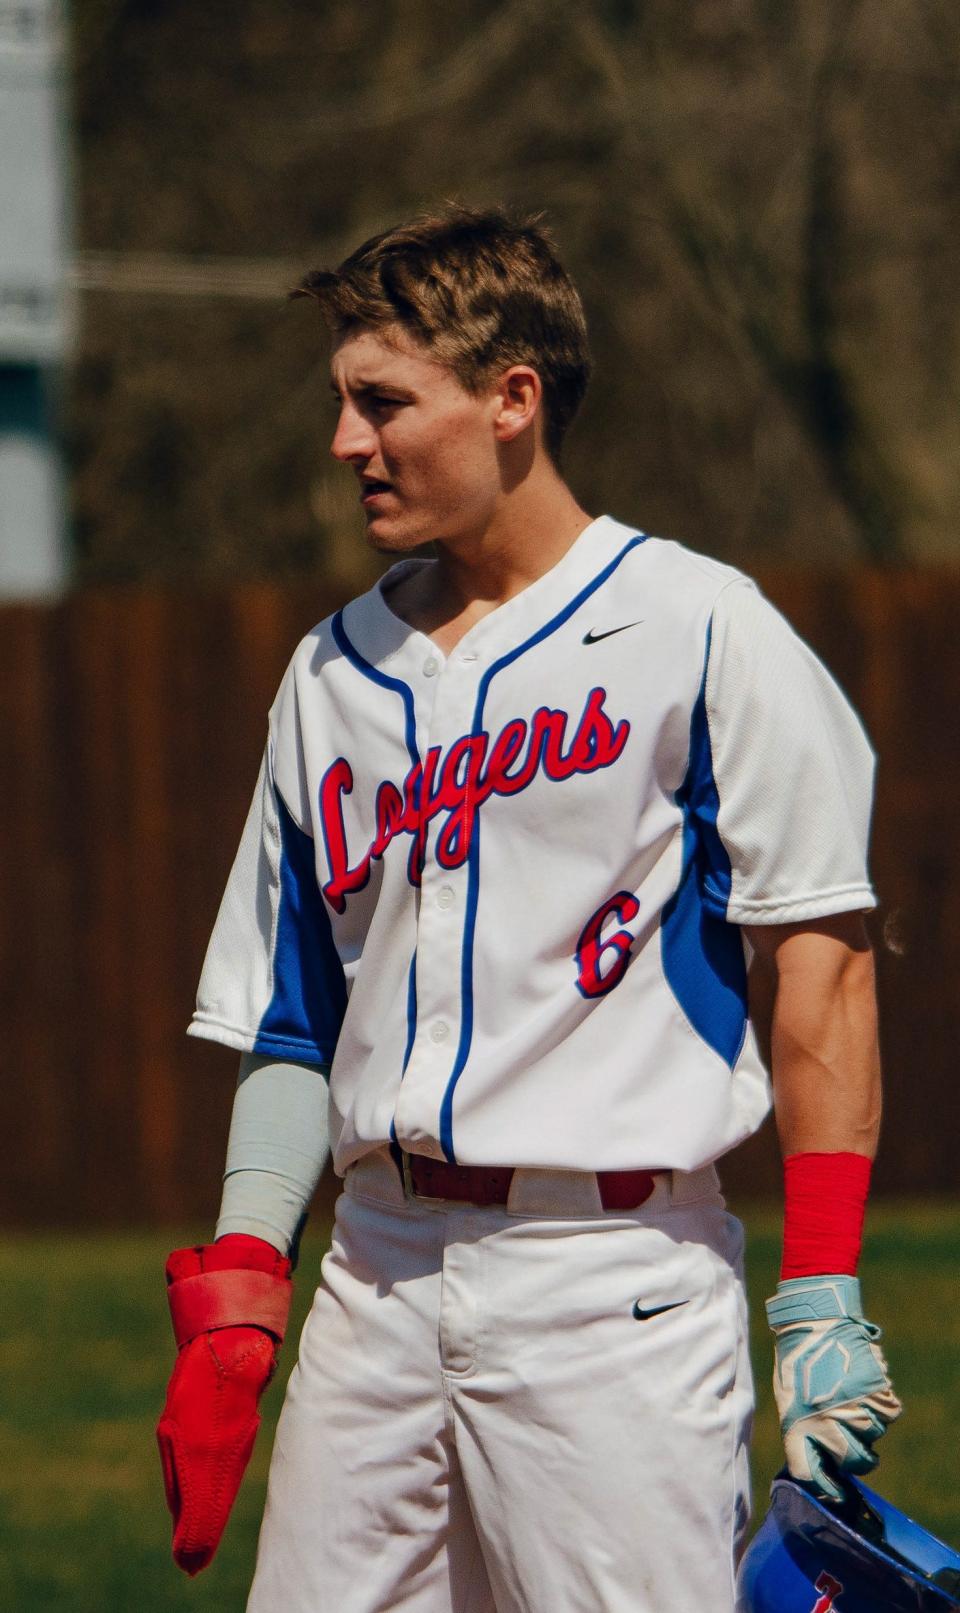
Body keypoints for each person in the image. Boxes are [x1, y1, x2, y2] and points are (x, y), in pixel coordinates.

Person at [156, 205, 901, 1613]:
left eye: (383, 402)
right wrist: (250, 1281)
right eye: (341, 402)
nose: (346, 443)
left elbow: (822, 961)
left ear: (513, 399)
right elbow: (294, 1012)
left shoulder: (699, 625)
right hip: (374, 1281)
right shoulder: (332, 676)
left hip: (610, 1279)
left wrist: (822, 1287)